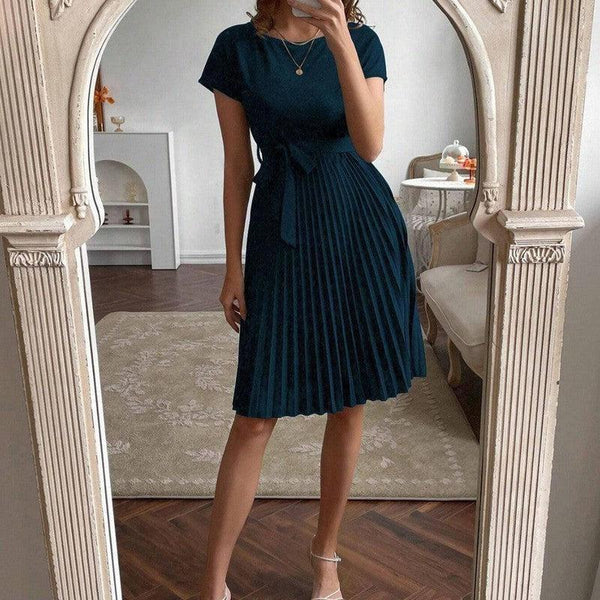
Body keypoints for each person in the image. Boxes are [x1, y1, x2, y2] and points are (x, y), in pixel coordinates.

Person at [197, 1, 426, 598]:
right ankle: (213, 581)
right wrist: (232, 265)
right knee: (255, 413)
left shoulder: (363, 42)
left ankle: (326, 557)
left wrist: (340, 37)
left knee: (349, 403)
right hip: (281, 225)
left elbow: (370, 144)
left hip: (357, 226)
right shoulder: (237, 48)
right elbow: (236, 166)